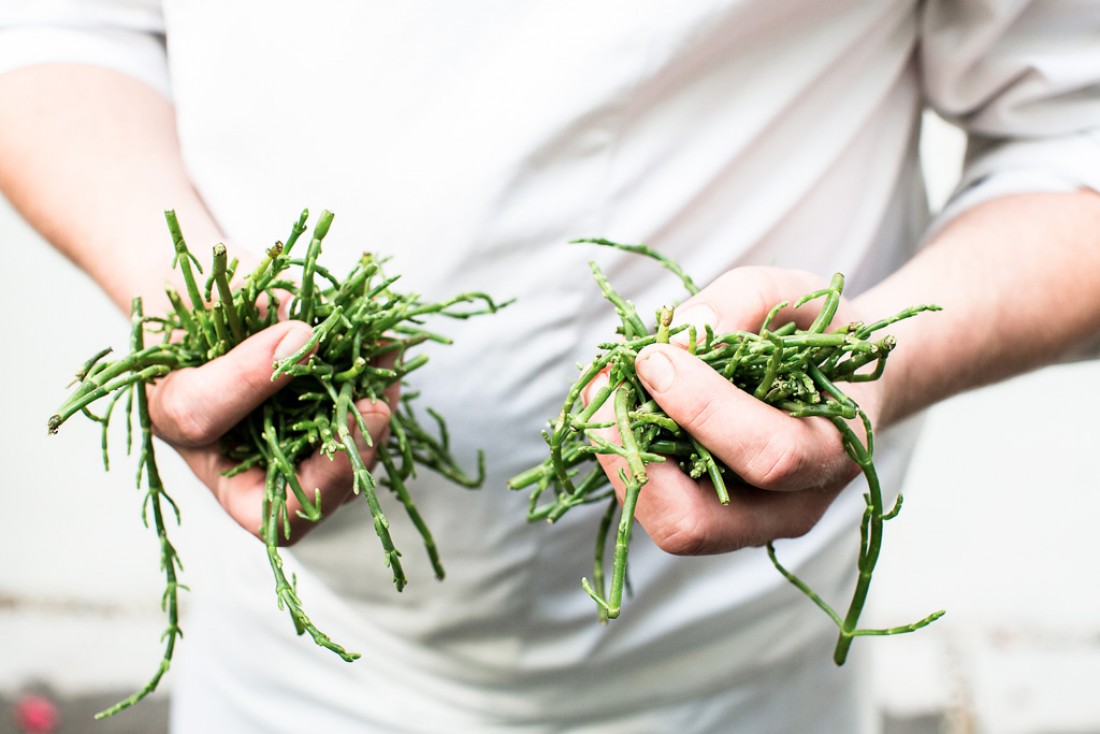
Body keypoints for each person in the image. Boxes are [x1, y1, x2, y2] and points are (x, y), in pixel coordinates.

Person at [1, 2, 1098, 732]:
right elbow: (62, 26)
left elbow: (1074, 139)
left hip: (735, 682)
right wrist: (176, 291)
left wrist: (874, 359)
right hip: (279, 648)